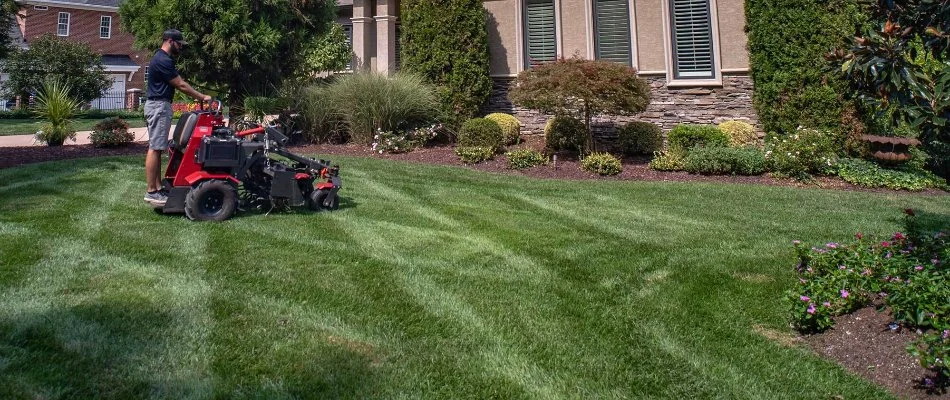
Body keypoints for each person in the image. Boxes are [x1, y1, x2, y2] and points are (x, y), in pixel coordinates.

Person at [143, 29, 211, 206]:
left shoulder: (161, 58)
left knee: (158, 147)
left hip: (158, 105)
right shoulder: (163, 60)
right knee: (155, 147)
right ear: (171, 41)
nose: (181, 47)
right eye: (180, 43)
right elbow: (180, 84)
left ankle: (158, 188)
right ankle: (151, 191)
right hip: (159, 105)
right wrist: (202, 97)